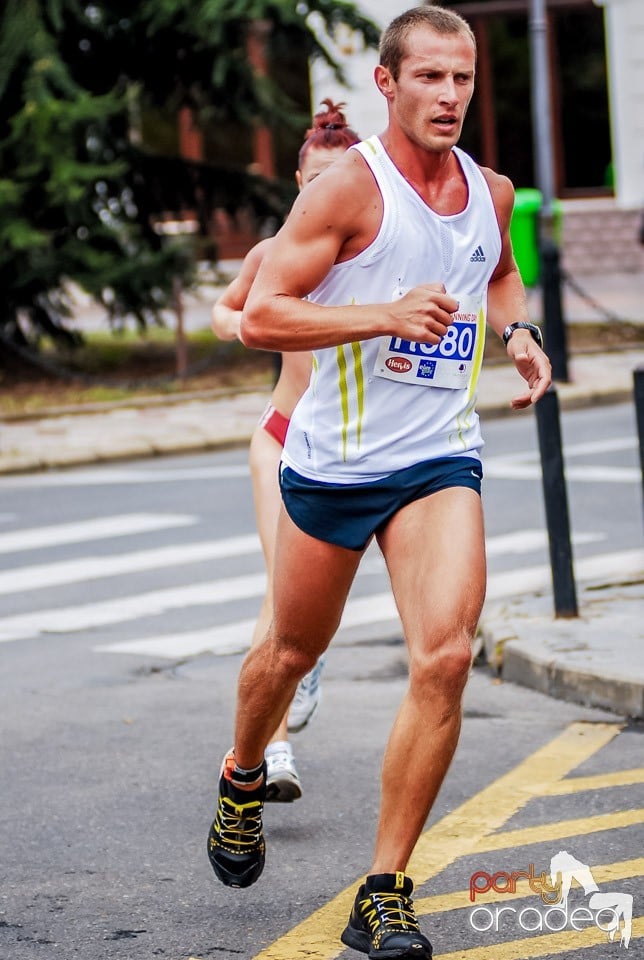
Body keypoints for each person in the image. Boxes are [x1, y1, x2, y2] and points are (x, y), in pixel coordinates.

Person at [207, 7, 552, 959]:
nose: (450, 97)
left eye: (464, 81)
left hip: (440, 455)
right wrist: (380, 315)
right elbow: (264, 313)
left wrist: (518, 334)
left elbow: (501, 273)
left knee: (443, 657)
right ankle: (241, 776)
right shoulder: (346, 194)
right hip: (336, 463)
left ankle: (384, 892)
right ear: (388, 85)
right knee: (286, 651)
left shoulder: (491, 189)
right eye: (430, 79)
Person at [210, 100, 360, 803]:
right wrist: (248, 323)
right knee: (279, 593)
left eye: (343, 176)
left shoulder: (375, 251)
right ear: (300, 182)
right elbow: (225, 309)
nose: (328, 189)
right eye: (316, 178)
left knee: (301, 610)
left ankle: (307, 658)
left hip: (347, 449)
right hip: (280, 440)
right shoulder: (275, 253)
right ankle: (274, 750)